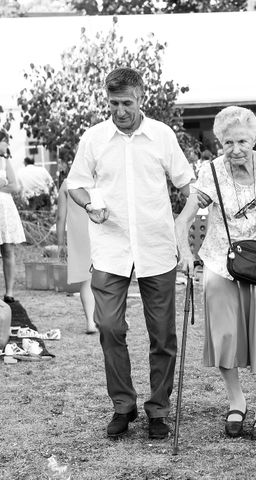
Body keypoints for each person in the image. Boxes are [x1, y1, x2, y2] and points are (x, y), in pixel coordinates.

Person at [66, 67, 195, 440]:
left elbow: (186, 183)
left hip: (157, 248)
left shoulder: (162, 136)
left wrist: (186, 221)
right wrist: (89, 204)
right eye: (113, 103)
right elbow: (76, 184)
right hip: (110, 249)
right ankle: (123, 406)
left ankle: (158, 410)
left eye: (126, 102)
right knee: (108, 327)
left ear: (141, 99)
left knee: (163, 336)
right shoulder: (94, 138)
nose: (120, 110)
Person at [175, 106, 256, 440]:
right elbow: (184, 217)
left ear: (254, 139)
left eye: (242, 141)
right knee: (223, 334)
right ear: (219, 142)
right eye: (227, 142)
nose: (235, 149)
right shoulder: (210, 172)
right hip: (221, 262)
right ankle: (235, 399)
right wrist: (185, 253)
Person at [56, 179, 97, 333]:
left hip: (78, 235)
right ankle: (113, 317)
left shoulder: (67, 184)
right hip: (98, 229)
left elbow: (60, 217)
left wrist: (60, 243)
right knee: (108, 278)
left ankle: (91, 322)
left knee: (87, 279)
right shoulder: (98, 180)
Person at [0, 141, 26, 304]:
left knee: (8, 249)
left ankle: (9, 292)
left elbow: (15, 186)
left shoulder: (4, 160)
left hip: (4, 210)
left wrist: (4, 186)